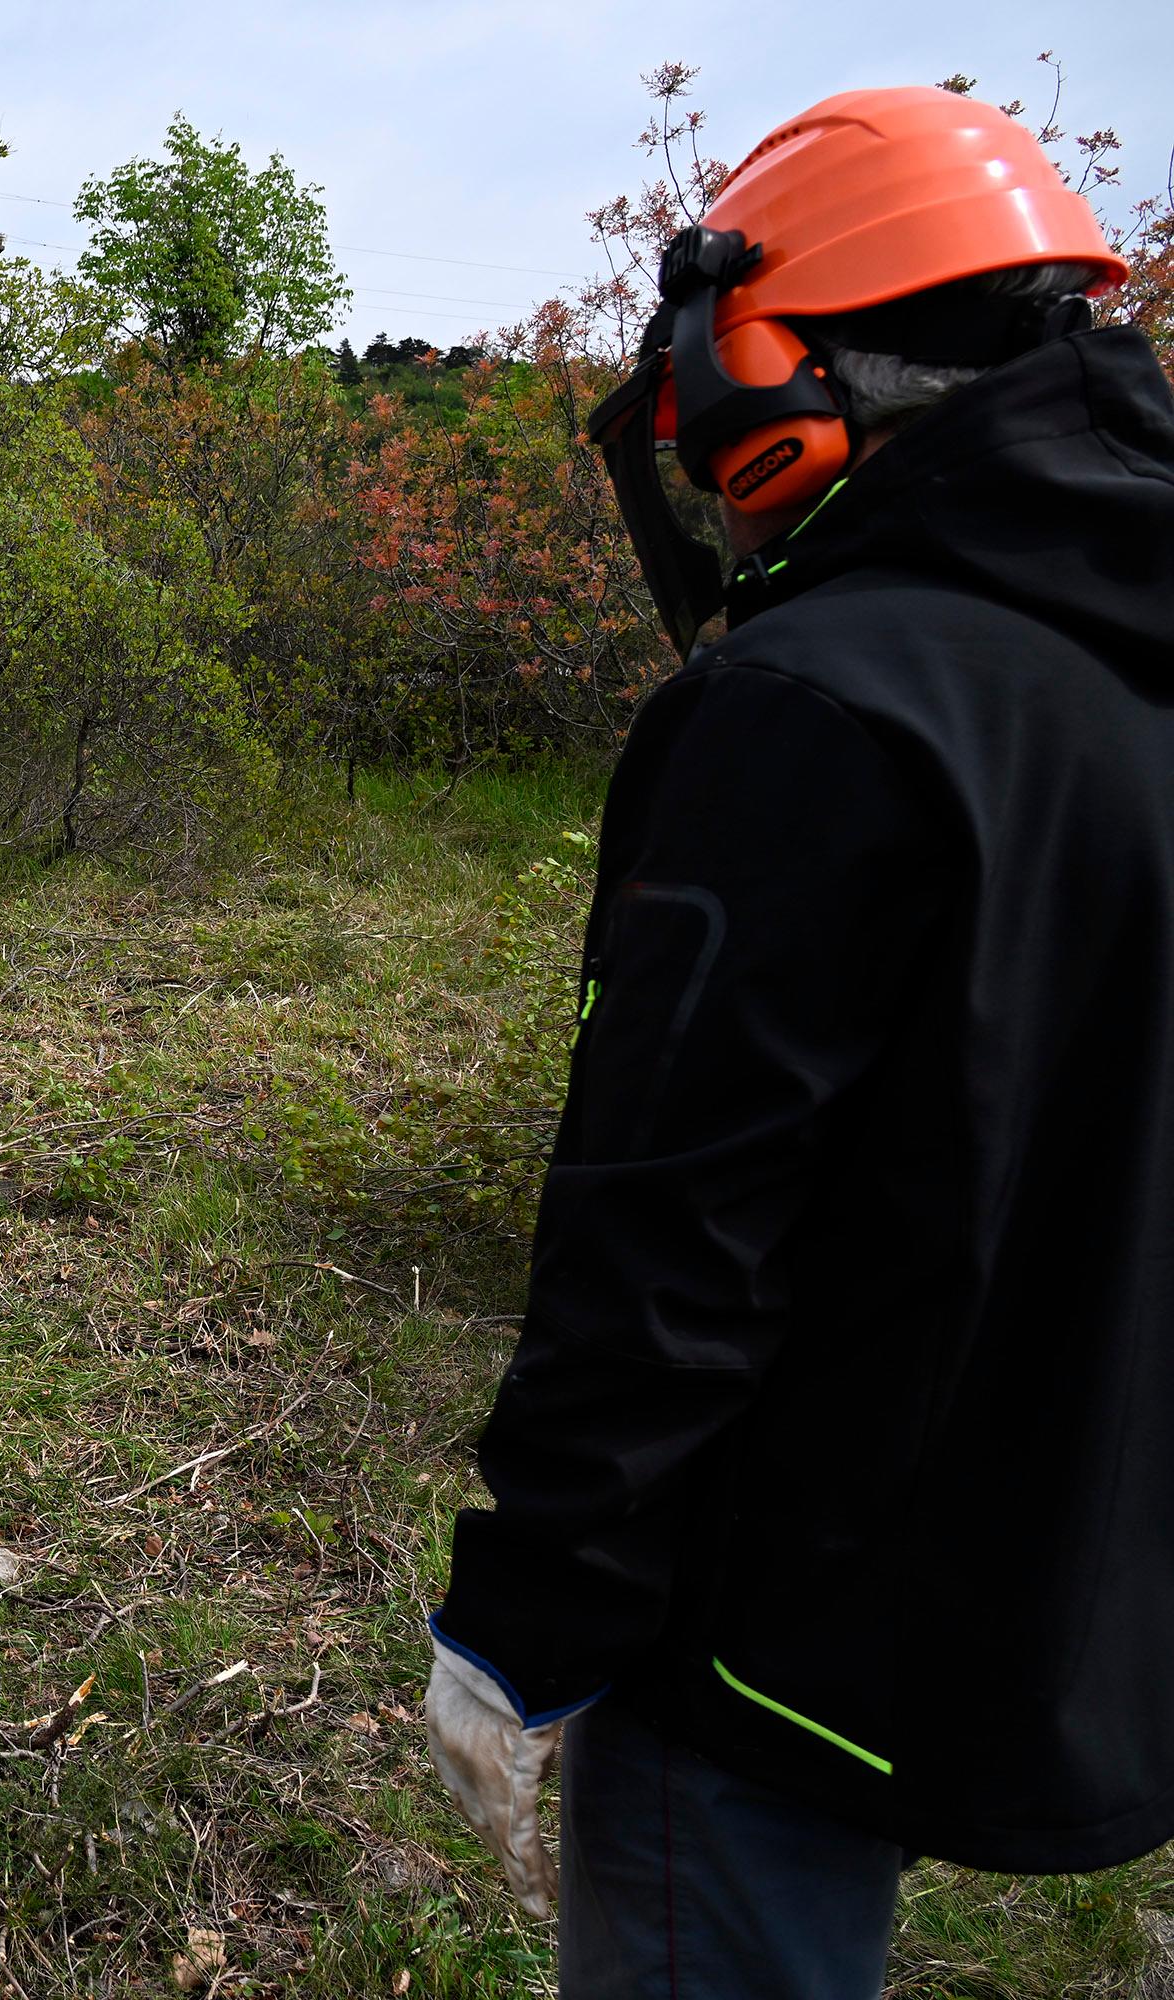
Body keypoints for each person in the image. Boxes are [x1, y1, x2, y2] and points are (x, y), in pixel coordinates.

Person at [425, 86, 1174, 1995]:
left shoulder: (815, 705)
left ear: (763, 348)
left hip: (777, 1621)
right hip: (1056, 1558)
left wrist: (536, 1607)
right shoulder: (1124, 654)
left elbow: (672, 1221)